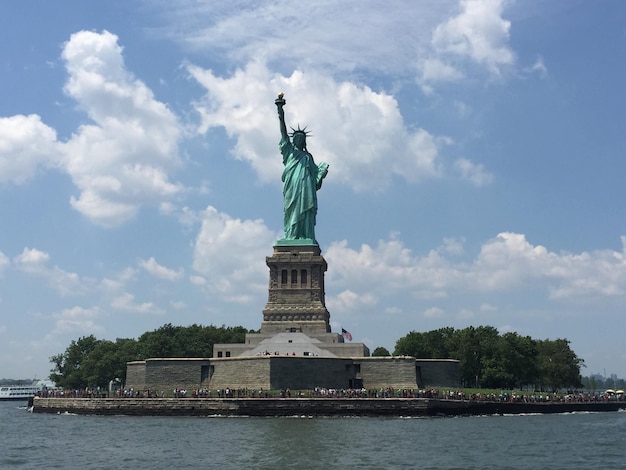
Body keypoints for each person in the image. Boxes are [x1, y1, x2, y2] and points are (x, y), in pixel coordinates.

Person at [275, 93, 329, 243]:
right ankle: (291, 236)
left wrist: (321, 173)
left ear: (304, 141)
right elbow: (283, 132)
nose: (298, 139)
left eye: (301, 138)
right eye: (296, 138)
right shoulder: (289, 152)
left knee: (305, 211)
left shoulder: (308, 157)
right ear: (293, 140)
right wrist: (280, 111)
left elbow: (315, 180)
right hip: (292, 188)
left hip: (306, 190)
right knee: (291, 210)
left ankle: (305, 235)